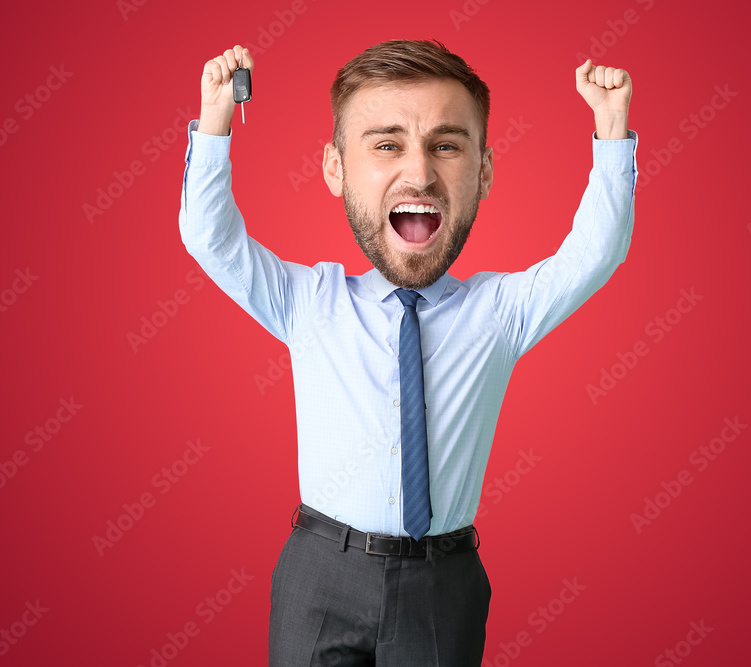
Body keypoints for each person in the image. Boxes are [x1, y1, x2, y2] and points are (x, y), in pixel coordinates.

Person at [179, 38, 637, 666]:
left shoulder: (500, 313)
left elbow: (596, 253)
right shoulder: (309, 302)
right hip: (320, 573)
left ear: (484, 172)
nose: (419, 173)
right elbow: (211, 236)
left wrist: (611, 129)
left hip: (443, 583)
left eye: (446, 145)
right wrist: (215, 117)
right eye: (387, 143)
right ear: (336, 168)